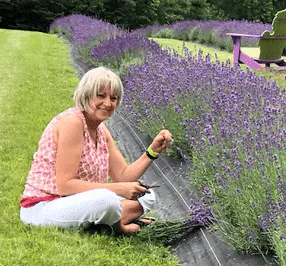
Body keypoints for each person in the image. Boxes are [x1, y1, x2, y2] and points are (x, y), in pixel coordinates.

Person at [19, 67, 172, 234]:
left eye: (113, 98)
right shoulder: (73, 123)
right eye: (101, 95)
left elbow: (123, 176)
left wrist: (152, 151)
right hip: (46, 205)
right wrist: (119, 190)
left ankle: (103, 222)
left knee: (147, 194)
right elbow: (65, 186)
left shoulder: (100, 129)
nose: (108, 103)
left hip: (76, 201)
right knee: (107, 200)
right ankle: (118, 227)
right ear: (86, 95)